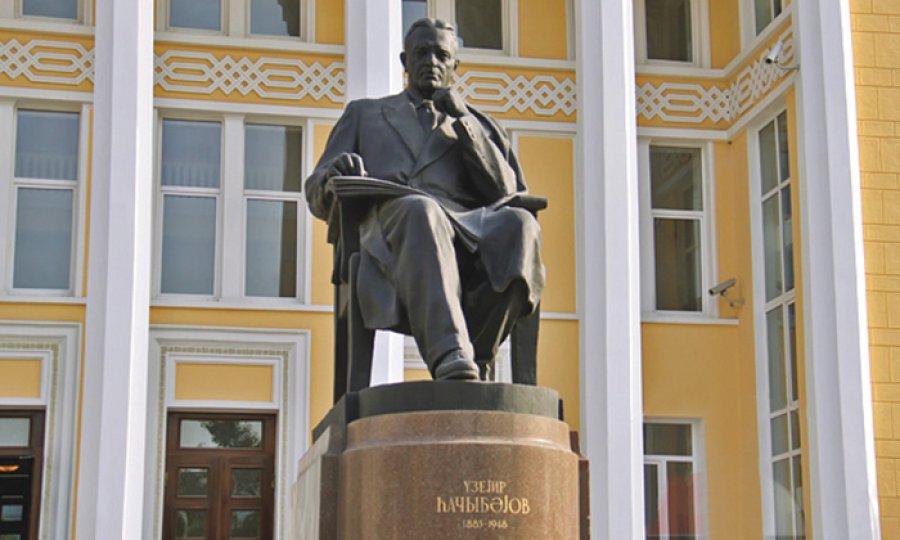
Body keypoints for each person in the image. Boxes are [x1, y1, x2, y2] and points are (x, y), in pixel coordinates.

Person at [305, 18, 544, 381]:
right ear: (405, 61)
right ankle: (450, 353)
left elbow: (506, 190)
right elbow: (315, 192)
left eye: (441, 55)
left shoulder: (477, 123)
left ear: (454, 66)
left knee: (521, 226)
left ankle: (478, 352)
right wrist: (332, 175)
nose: (431, 61)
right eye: (421, 53)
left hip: (467, 226)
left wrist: (463, 122)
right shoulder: (365, 114)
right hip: (391, 227)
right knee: (422, 209)